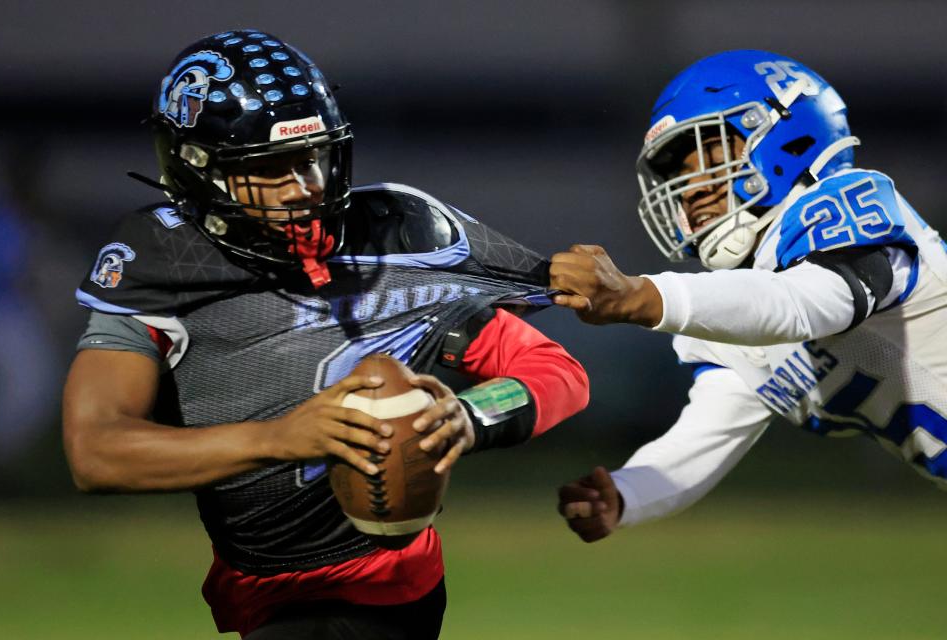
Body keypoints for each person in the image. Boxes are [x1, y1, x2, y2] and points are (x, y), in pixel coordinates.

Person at [62, 30, 589, 638]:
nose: (304, 187)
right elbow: (95, 451)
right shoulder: (161, 263)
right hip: (260, 588)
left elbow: (557, 373)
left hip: (381, 590)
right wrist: (277, 438)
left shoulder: (392, 240)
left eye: (310, 158)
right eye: (268, 167)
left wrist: (471, 417)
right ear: (199, 171)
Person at [551, 49, 947, 543]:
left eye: (711, 154)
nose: (690, 189)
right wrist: (628, 493)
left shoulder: (843, 206)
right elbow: (709, 432)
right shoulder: (744, 300)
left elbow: (805, 303)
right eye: (679, 172)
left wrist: (643, 297)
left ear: (787, 136)